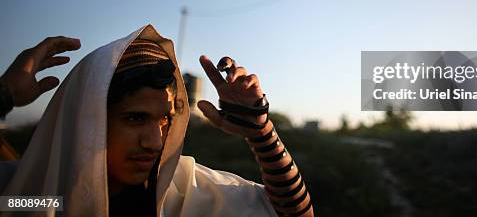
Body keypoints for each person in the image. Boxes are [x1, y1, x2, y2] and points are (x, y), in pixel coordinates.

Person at [0, 25, 313, 216]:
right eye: (135, 118)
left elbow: (290, 213)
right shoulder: (40, 197)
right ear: (87, 120)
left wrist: (261, 133)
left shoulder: (177, 197)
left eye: (165, 121)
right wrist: (4, 95)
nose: (154, 141)